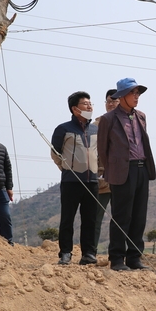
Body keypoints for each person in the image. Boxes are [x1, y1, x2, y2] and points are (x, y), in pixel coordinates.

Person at [98, 78, 156, 271]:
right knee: (121, 216)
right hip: (122, 172)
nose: (137, 97)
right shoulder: (108, 119)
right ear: (122, 96)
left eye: (138, 93)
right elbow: (102, 150)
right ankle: (116, 259)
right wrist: (112, 170)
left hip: (141, 169)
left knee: (139, 216)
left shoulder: (141, 116)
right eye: (133, 93)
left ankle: (134, 257)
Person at [51, 91, 99, 266]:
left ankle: (89, 254)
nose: (90, 107)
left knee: (90, 219)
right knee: (67, 219)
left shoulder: (96, 129)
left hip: (92, 181)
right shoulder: (63, 129)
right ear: (75, 109)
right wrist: (66, 168)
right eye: (85, 104)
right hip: (71, 181)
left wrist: (97, 170)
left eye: (90, 103)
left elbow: (99, 153)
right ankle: (65, 253)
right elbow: (55, 153)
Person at [92, 88, 118, 255]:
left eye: (115, 100)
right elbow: (90, 152)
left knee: (120, 219)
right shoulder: (95, 126)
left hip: (122, 179)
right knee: (95, 218)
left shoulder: (130, 123)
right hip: (101, 179)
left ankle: (117, 253)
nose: (111, 103)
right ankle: (91, 252)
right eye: (109, 100)